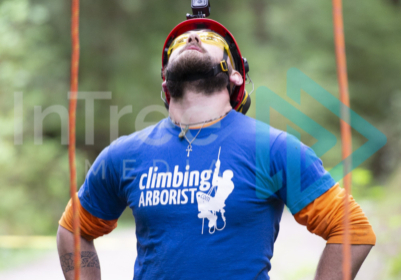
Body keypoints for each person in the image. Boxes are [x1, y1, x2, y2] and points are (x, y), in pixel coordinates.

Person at [57, 16, 376, 280]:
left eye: (208, 40)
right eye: (180, 44)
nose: (192, 40)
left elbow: (353, 231)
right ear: (165, 82)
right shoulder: (124, 155)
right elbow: (73, 230)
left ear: (236, 76)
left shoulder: (273, 149)